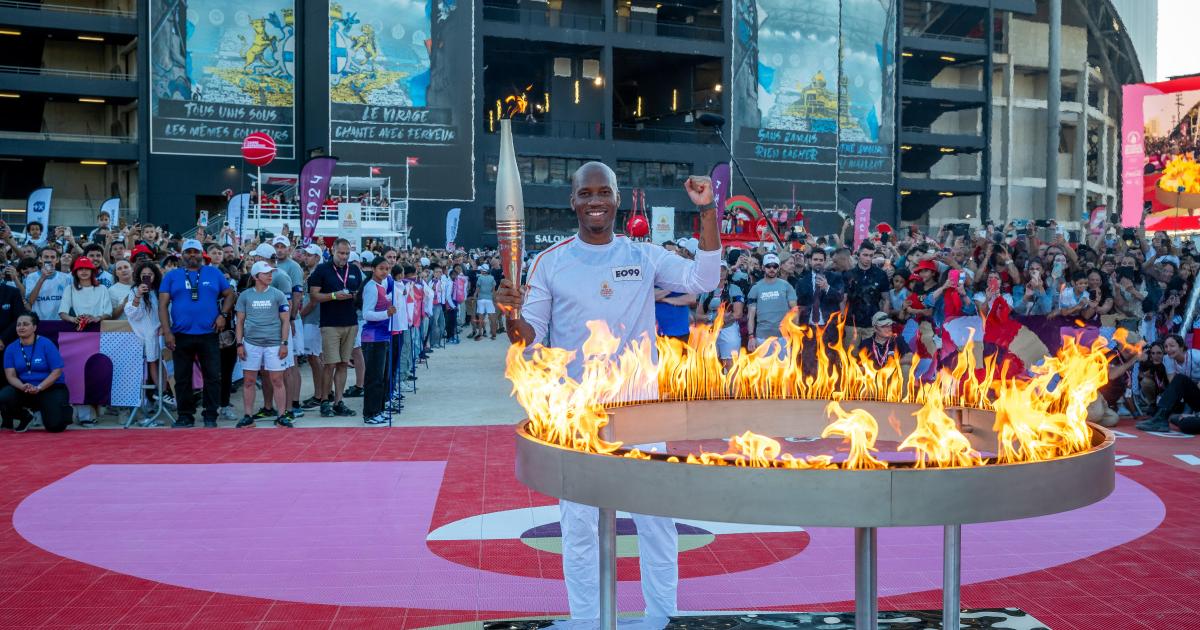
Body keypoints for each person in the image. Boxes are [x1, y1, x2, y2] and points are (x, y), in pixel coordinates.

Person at [494, 162, 720, 620]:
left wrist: (709, 211)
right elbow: (528, 336)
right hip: (578, 416)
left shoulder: (643, 257)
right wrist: (508, 312)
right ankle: (587, 620)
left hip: (640, 412)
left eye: (604, 192)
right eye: (585, 194)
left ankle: (665, 616)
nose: (595, 201)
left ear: (617, 198)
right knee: (579, 527)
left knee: (657, 522)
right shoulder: (551, 262)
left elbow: (704, 281)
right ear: (572, 201)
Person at [159, 239, 235, 428]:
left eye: (196, 251)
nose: (192, 255)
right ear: (182, 255)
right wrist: (167, 332)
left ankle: (210, 414)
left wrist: (223, 315)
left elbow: (230, 294)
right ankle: (185, 415)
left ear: (202, 254)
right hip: (180, 334)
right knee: (182, 377)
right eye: (188, 252)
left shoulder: (214, 272)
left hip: (209, 333)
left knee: (212, 376)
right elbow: (162, 305)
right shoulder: (172, 276)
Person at [234, 261, 293, 428]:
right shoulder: (245, 296)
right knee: (249, 380)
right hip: (251, 343)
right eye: (266, 273)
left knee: (277, 380)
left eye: (271, 272)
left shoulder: (278, 294)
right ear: (255, 277)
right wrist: (239, 344)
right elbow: (239, 321)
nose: (270, 275)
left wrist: (284, 343)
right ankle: (248, 416)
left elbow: (285, 320)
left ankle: (281, 415)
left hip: (274, 343)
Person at [307, 238, 360, 418]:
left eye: (347, 253)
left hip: (350, 322)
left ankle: (338, 402)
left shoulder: (354, 270)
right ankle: (324, 401)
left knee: (344, 363)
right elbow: (314, 296)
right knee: (330, 364)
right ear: (332, 250)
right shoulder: (322, 270)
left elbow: (358, 293)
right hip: (330, 323)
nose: (344, 257)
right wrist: (334, 296)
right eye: (341, 253)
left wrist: (354, 297)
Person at [0, 313, 70, 432]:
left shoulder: (46, 344)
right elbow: (10, 376)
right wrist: (22, 386)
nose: (21, 327)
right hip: (25, 388)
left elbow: (57, 371)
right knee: (4, 396)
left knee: (55, 427)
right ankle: (25, 416)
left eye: (26, 324)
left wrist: (39, 387)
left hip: (50, 387)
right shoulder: (11, 348)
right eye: (18, 325)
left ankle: (49, 410)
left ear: (34, 327)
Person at [272, 235, 307, 417]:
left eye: (282, 247)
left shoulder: (293, 267)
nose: (279, 250)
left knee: (291, 364)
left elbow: (297, 295)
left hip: (291, 320)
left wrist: (292, 319)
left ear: (289, 248)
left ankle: (294, 403)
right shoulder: (274, 266)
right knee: (282, 365)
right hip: (278, 321)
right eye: (276, 246)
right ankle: (284, 403)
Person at [1136, 334, 1200, 433]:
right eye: (1166, 346)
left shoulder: (1196, 355)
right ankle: (1161, 417)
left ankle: (1189, 416)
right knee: (1184, 423)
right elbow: (1174, 385)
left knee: (1185, 424)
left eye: (1172, 346)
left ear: (1181, 346)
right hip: (1194, 397)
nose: (1168, 349)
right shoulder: (1168, 359)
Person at [360, 256, 396, 425]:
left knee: (382, 377)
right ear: (373, 269)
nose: (384, 271)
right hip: (372, 337)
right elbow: (366, 313)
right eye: (381, 268)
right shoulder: (371, 287)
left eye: (387, 269)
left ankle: (379, 409)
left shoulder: (382, 285)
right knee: (374, 377)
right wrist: (386, 314)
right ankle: (370, 413)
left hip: (383, 335)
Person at [746, 253, 797, 351]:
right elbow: (750, 315)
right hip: (762, 337)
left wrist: (795, 334)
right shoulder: (755, 288)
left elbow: (794, 311)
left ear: (778, 268)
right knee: (763, 367)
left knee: (785, 366)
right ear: (762, 267)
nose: (772, 269)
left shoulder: (787, 286)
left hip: (784, 337)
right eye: (768, 266)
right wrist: (751, 337)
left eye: (775, 266)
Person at [844, 244, 890, 344]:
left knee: (871, 357)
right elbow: (843, 298)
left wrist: (884, 321)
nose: (868, 258)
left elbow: (886, 299)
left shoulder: (880, 274)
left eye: (871, 255)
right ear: (858, 254)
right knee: (850, 357)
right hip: (851, 324)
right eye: (865, 255)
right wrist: (842, 318)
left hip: (872, 324)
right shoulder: (848, 274)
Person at [474, 263, 497, 340]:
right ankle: (493, 334)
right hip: (489, 299)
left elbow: (477, 289)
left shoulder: (480, 278)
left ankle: (480, 334)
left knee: (481, 317)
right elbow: (493, 290)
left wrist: (474, 296)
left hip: (481, 299)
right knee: (492, 317)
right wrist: (494, 299)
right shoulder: (492, 278)